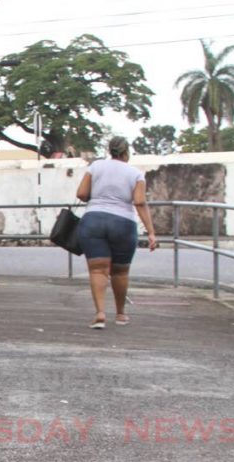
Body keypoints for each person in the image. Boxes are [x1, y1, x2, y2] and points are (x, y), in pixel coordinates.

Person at [75, 136, 158, 328]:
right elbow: (139, 202)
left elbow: (81, 193)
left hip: (93, 220)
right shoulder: (135, 173)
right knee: (120, 271)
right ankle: (120, 314)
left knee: (98, 269)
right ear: (126, 151)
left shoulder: (95, 167)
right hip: (123, 223)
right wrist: (151, 232)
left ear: (109, 150)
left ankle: (100, 314)